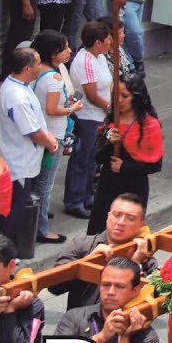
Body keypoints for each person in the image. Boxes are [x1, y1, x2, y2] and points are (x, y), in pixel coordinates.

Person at [87, 75, 163, 236]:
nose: (119, 100)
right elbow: (97, 157)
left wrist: (125, 167)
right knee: (100, 230)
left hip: (134, 187)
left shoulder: (150, 125)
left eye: (125, 96)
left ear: (136, 97)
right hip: (107, 185)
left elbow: (156, 165)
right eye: (116, 96)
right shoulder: (111, 120)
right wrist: (109, 143)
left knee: (127, 233)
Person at [0, 47, 59, 244]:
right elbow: (32, 131)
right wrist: (49, 141)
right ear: (27, 68)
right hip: (20, 163)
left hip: (21, 158)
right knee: (14, 210)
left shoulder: (19, 86)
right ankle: (8, 254)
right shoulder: (17, 97)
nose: (40, 66)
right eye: (38, 62)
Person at [30, 30, 79, 243]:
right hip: (53, 136)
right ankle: (41, 228)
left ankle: (38, 217)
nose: (69, 51)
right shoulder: (54, 78)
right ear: (52, 54)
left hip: (43, 133)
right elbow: (52, 109)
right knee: (45, 184)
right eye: (64, 48)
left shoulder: (38, 71)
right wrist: (72, 108)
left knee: (38, 182)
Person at [63, 21, 112, 219]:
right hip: (88, 117)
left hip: (99, 116)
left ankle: (87, 196)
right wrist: (109, 107)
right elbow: (91, 94)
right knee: (81, 160)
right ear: (98, 42)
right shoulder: (85, 61)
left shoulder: (98, 57)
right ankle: (74, 200)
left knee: (93, 159)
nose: (111, 42)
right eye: (108, 39)